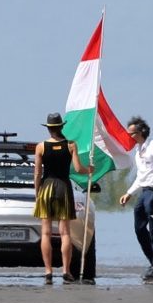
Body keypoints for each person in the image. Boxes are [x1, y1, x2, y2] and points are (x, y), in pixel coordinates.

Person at [35, 113, 91, 283]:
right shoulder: (71, 145)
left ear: (49, 128)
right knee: (65, 232)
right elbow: (78, 168)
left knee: (45, 232)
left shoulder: (40, 147)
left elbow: (37, 173)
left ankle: (48, 272)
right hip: (64, 188)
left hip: (46, 188)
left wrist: (37, 193)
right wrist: (90, 169)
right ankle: (66, 271)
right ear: (61, 127)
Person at [119, 116, 153, 281]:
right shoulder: (138, 151)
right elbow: (141, 177)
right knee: (139, 228)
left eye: (131, 134)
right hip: (143, 193)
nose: (129, 137)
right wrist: (129, 193)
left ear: (140, 132)